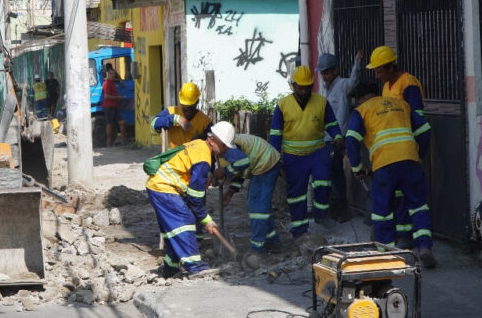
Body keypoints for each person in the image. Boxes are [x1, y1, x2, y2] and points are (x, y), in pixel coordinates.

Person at [345, 82, 435, 268]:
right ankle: (425, 248)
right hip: (410, 160)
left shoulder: (362, 110)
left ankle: (388, 255)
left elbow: (351, 138)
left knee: (382, 211)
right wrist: (419, 155)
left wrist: (357, 167)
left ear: (361, 99)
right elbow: (424, 129)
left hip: (385, 165)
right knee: (418, 206)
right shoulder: (401, 104)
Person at [270, 66, 344, 246]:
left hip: (318, 152)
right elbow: (275, 134)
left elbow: (332, 123)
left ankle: (321, 215)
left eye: (307, 87)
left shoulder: (321, 102)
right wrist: (275, 158)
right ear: (293, 85)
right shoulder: (282, 105)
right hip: (293, 157)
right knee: (296, 195)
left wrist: (338, 136)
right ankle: (299, 229)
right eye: (300, 87)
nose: (304, 91)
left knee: (323, 181)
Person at [145, 122, 230, 277]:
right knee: (184, 221)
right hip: (163, 187)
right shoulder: (203, 159)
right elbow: (195, 197)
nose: (226, 150)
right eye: (224, 145)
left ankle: (170, 269)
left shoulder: (198, 144)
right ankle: (195, 266)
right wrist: (207, 220)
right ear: (212, 140)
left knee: (174, 230)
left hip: (159, 186)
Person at [367, 45, 425, 249]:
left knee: (408, 198)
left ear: (391, 67)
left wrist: (420, 153)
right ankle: (401, 238)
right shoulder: (386, 86)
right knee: (396, 197)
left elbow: (418, 119)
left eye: (380, 70)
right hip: (392, 152)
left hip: (407, 150)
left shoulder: (408, 84)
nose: (377, 74)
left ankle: (408, 239)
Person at [213, 125, 282, 270]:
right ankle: (273, 242)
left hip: (266, 164)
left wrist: (224, 172)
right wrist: (230, 193)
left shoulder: (229, 149)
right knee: (259, 207)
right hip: (263, 163)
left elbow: (244, 163)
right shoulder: (227, 147)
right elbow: (241, 172)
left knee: (257, 207)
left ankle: (258, 247)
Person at [316, 51, 364, 222]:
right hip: (326, 140)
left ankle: (340, 210)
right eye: (322, 73)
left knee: (335, 176)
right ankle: (336, 209)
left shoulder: (343, 85)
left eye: (326, 72)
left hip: (337, 140)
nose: (323, 76)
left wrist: (357, 63)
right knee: (332, 175)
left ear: (335, 71)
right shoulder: (324, 91)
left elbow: (353, 82)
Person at [150, 82, 213, 148]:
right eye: (185, 107)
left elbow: (213, 139)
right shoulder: (171, 111)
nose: (188, 111)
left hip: (195, 156)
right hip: (175, 156)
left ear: (197, 102)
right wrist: (176, 119)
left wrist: (202, 137)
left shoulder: (204, 121)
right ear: (181, 103)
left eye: (191, 107)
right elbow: (153, 124)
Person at [102, 69, 127, 146]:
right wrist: (118, 97)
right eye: (111, 74)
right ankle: (108, 143)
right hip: (108, 106)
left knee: (122, 122)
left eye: (114, 74)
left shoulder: (112, 81)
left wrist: (119, 80)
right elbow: (106, 96)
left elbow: (116, 79)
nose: (113, 75)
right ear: (108, 74)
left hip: (114, 106)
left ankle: (123, 141)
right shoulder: (107, 83)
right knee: (109, 124)